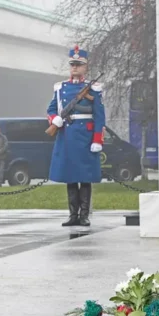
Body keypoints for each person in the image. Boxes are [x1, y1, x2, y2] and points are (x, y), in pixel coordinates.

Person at [47, 46, 105, 227]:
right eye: (72, 64)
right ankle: (73, 215)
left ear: (85, 67)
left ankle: (84, 215)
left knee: (85, 177)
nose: (75, 68)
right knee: (70, 176)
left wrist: (97, 139)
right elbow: (51, 109)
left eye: (79, 65)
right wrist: (55, 119)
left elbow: (99, 117)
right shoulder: (60, 88)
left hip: (85, 137)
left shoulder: (93, 88)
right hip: (68, 136)